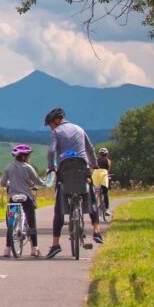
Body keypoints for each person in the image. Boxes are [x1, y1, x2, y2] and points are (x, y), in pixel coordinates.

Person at [43, 107, 102, 259]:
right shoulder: (79, 129)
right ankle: (96, 231)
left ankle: (55, 244)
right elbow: (90, 149)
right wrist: (95, 165)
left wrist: (51, 168)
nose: (51, 127)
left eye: (51, 124)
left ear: (57, 120)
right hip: (82, 168)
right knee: (90, 194)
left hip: (64, 170)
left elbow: (50, 151)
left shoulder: (56, 132)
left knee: (59, 205)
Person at [1, 144, 44, 257]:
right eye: (29, 156)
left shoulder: (8, 168)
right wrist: (45, 183)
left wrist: (9, 183)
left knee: (11, 223)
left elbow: (2, 183)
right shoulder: (28, 168)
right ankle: (34, 248)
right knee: (31, 222)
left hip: (13, 198)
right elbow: (38, 181)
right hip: (26, 198)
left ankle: (7, 249)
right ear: (24, 157)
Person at [94, 147, 112, 212]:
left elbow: (94, 169)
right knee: (105, 193)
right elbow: (108, 171)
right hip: (104, 177)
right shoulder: (108, 161)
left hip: (96, 177)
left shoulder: (96, 160)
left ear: (100, 154)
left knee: (95, 191)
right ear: (106, 154)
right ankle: (107, 209)